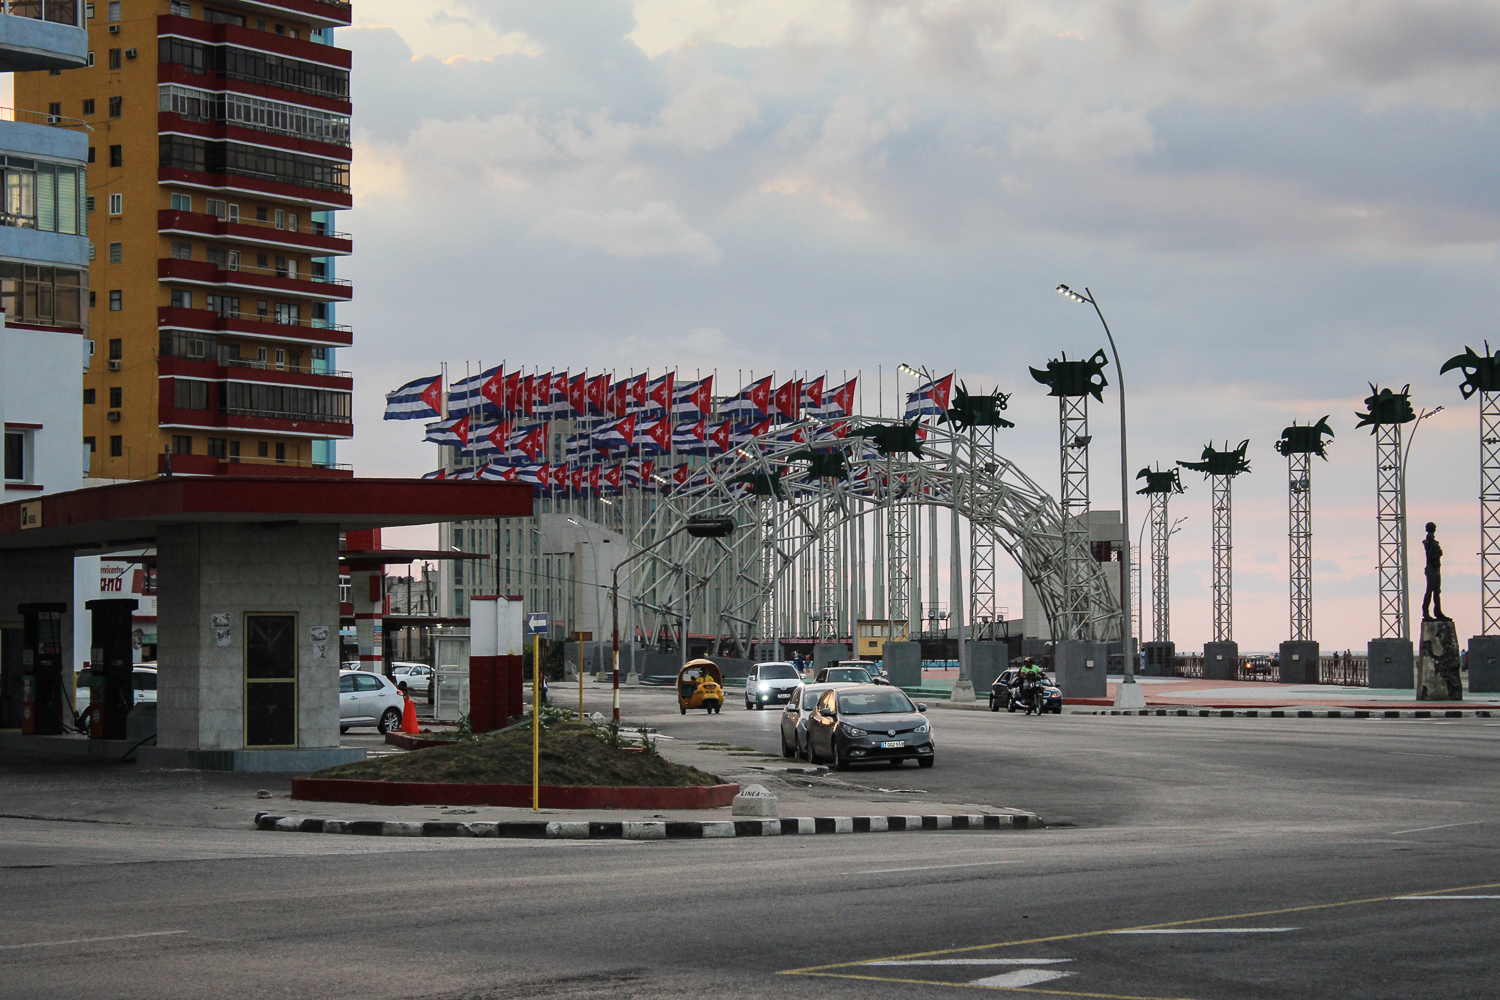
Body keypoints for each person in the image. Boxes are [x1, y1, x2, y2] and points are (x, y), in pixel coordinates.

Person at [1422, 521, 1450, 621]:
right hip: (1432, 569)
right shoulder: (1430, 541)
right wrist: (1438, 553)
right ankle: (1426, 612)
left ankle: (1438, 612)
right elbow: (1429, 555)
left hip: (1435, 568)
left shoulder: (1432, 541)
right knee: (1430, 591)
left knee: (1437, 591)